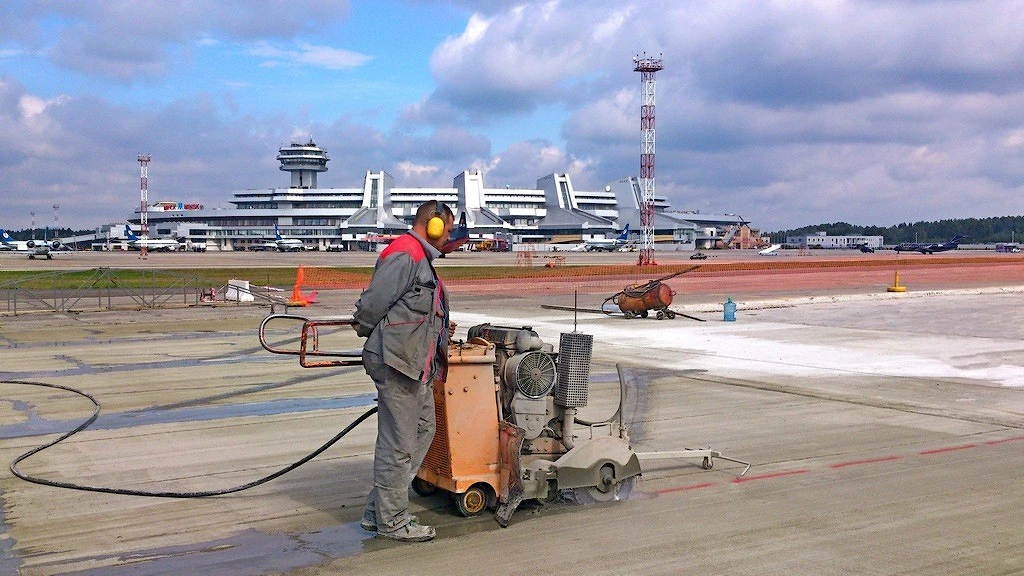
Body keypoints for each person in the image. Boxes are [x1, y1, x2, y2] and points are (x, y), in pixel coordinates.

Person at [351, 200, 456, 542]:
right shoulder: (406, 254)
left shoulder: (422, 258)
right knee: (398, 446)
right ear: (434, 225)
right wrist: (372, 333)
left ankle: (377, 511)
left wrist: (438, 327)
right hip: (398, 363)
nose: (450, 237)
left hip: (417, 366)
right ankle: (392, 521)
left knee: (423, 431)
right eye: (448, 230)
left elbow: (414, 307)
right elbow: (373, 304)